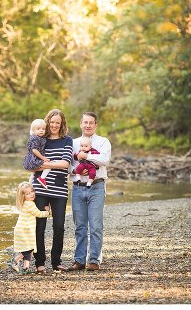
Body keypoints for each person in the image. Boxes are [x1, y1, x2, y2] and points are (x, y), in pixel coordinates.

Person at [28, 108, 73, 274]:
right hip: (40, 187)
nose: (54, 125)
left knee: (59, 226)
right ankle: (40, 262)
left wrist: (45, 164)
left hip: (60, 189)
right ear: (48, 122)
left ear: (62, 125)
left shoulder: (67, 141)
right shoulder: (41, 140)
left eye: (57, 123)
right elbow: (31, 163)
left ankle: (56, 262)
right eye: (52, 122)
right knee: (39, 225)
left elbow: (65, 164)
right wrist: (54, 163)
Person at [67, 112, 111, 271]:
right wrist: (76, 171)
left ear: (95, 125)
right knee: (80, 226)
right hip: (78, 187)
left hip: (97, 187)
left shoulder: (103, 142)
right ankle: (79, 260)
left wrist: (86, 156)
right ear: (80, 124)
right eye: (85, 122)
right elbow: (68, 164)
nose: (88, 125)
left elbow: (105, 160)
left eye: (91, 122)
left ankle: (93, 260)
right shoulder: (73, 143)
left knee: (96, 225)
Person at [11, 182, 51, 274]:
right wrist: (48, 212)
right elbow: (39, 214)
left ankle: (26, 268)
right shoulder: (30, 204)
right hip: (25, 230)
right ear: (23, 196)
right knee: (30, 248)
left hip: (23, 229)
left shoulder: (26, 203)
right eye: (28, 193)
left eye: (32, 191)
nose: (31, 194)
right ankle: (15, 260)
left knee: (27, 247)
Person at [23, 119, 51, 188]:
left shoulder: (40, 137)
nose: (41, 130)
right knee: (49, 166)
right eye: (38, 129)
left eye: (43, 129)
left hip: (31, 160)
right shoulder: (35, 138)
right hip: (33, 160)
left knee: (34, 172)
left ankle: (29, 185)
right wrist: (43, 158)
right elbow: (34, 150)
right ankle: (42, 178)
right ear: (33, 130)